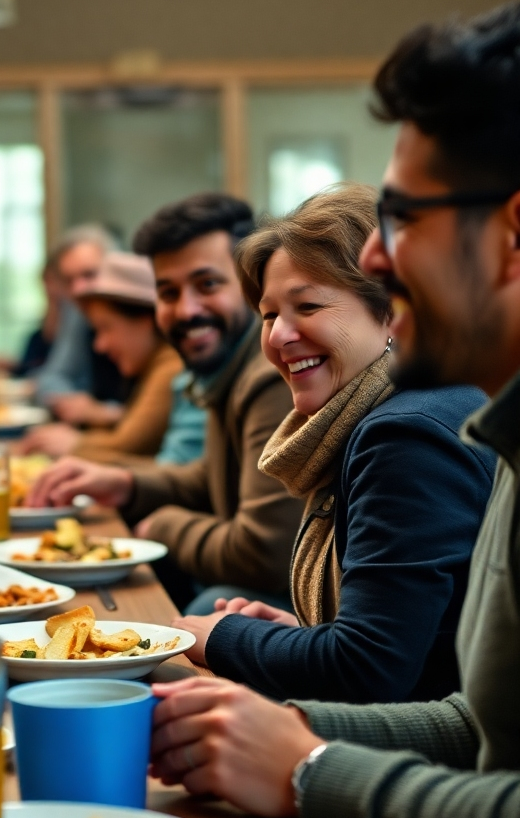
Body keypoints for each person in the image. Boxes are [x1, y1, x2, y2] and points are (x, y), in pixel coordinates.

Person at [149, 0, 520, 818]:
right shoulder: (502, 435)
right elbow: (481, 722)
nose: (381, 262)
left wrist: (309, 769)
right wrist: (279, 732)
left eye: (408, 220)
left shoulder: (411, 429)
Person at [171, 184, 493, 703]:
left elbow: (368, 666)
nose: (277, 337)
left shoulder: (407, 436)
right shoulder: (399, 407)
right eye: (270, 315)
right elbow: (396, 638)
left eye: (309, 306)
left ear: (392, 311)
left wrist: (223, 639)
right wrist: (295, 634)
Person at [29, 195, 303, 615]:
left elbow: (262, 556)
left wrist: (165, 527)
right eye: (168, 292)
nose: (186, 310)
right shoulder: (222, 370)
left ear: (251, 283)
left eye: (207, 284)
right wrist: (126, 483)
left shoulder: (269, 376)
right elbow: (211, 477)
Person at [19, 252, 183, 464]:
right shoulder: (154, 364)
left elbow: (127, 445)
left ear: (145, 320)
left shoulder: (170, 366)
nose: (99, 345)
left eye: (106, 328)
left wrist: (76, 444)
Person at [35, 224, 131, 425]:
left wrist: (102, 412)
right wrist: (77, 405)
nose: (79, 290)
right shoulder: (78, 314)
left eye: (90, 275)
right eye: (69, 281)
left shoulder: (139, 317)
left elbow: (156, 413)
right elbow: (52, 377)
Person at [14, 257, 68, 377]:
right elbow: (30, 364)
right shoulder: (39, 334)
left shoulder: (76, 324)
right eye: (47, 281)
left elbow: (60, 371)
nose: (50, 288)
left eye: (55, 280)